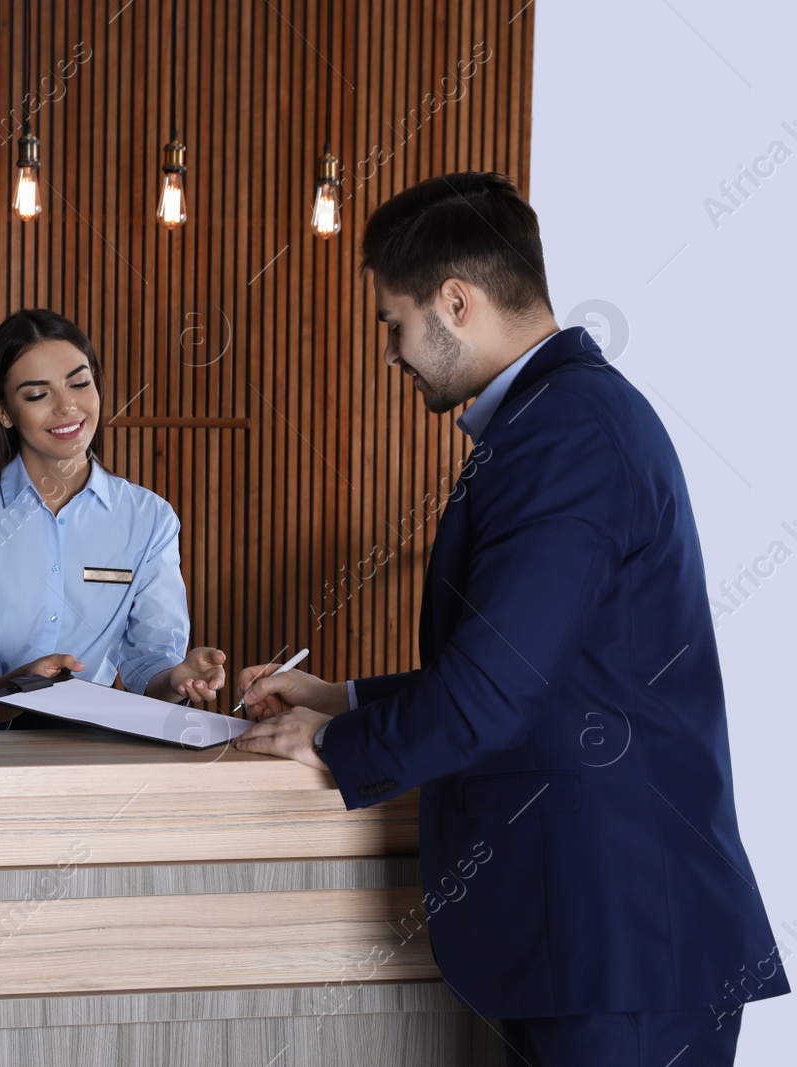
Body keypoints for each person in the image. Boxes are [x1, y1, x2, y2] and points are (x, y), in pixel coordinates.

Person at [233, 173, 787, 1065]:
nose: (391, 353)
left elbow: (493, 695)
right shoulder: (558, 416)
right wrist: (340, 698)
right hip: (605, 945)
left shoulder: (563, 433)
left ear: (457, 301)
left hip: (623, 940)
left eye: (395, 323)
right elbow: (540, 671)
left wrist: (333, 745)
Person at [0, 308, 226, 731]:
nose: (67, 406)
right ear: (4, 412)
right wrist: (15, 686)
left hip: (96, 746)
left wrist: (177, 677)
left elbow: (149, 668)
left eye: (79, 383)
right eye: (37, 395)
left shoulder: (149, 518)